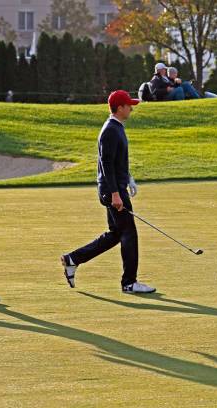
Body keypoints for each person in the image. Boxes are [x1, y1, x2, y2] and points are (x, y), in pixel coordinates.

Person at [60, 90, 156, 294]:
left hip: (116, 188)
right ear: (120, 108)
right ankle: (129, 282)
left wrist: (128, 177)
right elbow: (105, 163)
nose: (131, 108)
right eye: (128, 105)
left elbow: (116, 160)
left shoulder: (117, 127)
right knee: (129, 233)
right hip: (113, 191)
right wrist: (115, 193)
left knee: (116, 234)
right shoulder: (110, 130)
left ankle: (73, 258)